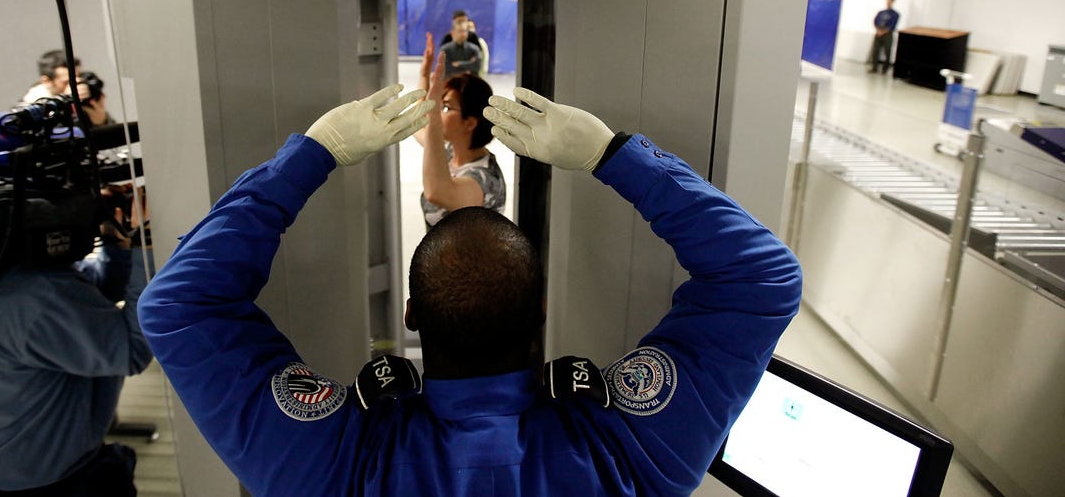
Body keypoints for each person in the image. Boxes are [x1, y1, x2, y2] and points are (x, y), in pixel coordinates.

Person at [138, 81, 802, 495]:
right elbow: (761, 278)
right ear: (539, 310)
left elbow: (177, 304)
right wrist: (613, 154)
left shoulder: (335, 465)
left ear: (410, 315)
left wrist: (312, 154)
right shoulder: (628, 452)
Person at [0, 115, 152, 496]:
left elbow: (88, 295)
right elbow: (132, 351)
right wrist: (143, 244)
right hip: (38, 484)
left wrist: (115, 238)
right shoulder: (29, 294)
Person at [414, 33, 506, 228]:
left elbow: (437, 192)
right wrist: (424, 74)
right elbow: (419, 122)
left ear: (470, 123)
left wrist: (433, 113)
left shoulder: (485, 179)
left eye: (447, 107)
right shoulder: (449, 150)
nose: (439, 111)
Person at [869, 0, 900, 74]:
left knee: (887, 51)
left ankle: (885, 69)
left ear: (893, 2)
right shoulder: (881, 12)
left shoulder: (895, 14)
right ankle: (874, 67)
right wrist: (878, 30)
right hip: (878, 33)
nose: (888, 3)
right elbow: (875, 21)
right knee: (875, 51)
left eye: (890, 1)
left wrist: (883, 31)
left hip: (887, 35)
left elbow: (892, 25)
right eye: (887, 1)